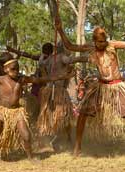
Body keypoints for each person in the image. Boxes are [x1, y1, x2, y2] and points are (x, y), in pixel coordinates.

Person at [0, 58, 75, 163]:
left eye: (17, 69)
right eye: (13, 69)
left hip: (17, 111)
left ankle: (31, 157)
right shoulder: (1, 79)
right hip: (2, 111)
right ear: (6, 70)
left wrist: (64, 76)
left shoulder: (22, 79)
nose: (16, 71)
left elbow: (41, 80)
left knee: (26, 135)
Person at [52, 0, 125, 156]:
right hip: (101, 86)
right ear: (94, 41)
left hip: (118, 85)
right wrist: (61, 30)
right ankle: (77, 147)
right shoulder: (90, 48)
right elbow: (70, 46)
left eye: (104, 41)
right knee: (84, 112)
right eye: (99, 42)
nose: (102, 44)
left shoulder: (112, 45)